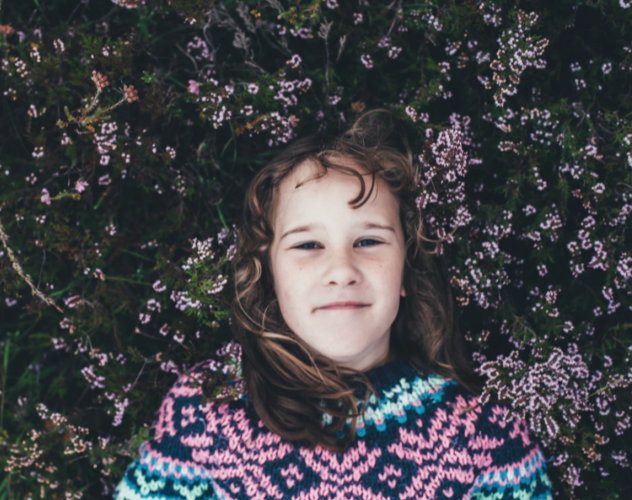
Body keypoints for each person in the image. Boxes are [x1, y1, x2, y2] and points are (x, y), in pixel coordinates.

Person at [113, 109, 553, 499]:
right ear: (269, 274)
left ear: (406, 268)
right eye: (308, 244)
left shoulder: (484, 431)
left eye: (368, 240)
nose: (342, 269)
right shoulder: (207, 413)